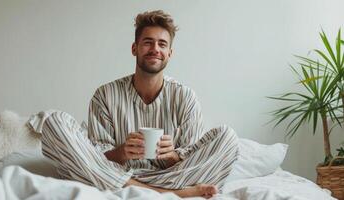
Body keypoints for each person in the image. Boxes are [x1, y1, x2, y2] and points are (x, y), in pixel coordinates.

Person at [28, 10, 238, 198]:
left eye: (162, 44)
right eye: (147, 42)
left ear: (170, 54)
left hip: (170, 175)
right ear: (134, 48)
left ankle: (134, 187)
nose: (155, 49)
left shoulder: (185, 97)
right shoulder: (105, 94)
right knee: (54, 122)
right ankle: (167, 193)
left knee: (228, 138)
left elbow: (191, 159)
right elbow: (97, 156)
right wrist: (122, 152)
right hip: (120, 172)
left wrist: (171, 156)